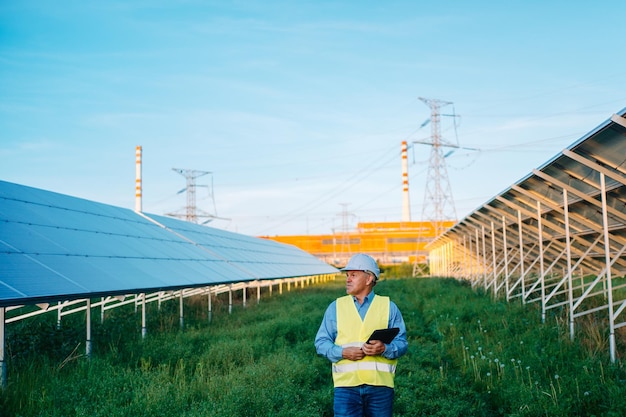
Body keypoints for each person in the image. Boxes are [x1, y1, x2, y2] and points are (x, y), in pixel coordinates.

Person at [315, 253, 408, 417]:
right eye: (347, 275)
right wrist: (342, 352)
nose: (348, 279)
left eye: (353, 275)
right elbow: (321, 342)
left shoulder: (389, 307)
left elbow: (402, 343)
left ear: (369, 279)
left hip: (380, 389)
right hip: (346, 389)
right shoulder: (335, 307)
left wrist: (385, 348)